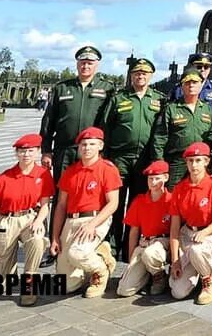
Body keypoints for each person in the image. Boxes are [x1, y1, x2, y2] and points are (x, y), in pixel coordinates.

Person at [96, 57, 167, 259]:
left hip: (145, 160)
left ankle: (131, 246)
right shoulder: (119, 98)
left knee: (138, 204)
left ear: (151, 76)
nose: (140, 76)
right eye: (136, 73)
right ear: (131, 75)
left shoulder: (159, 100)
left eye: (144, 73)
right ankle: (111, 245)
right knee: (114, 203)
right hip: (119, 158)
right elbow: (105, 127)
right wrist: (104, 156)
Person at [0, 133, 53, 306]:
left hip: (30, 217)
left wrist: (38, 221)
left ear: (37, 152)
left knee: (38, 241)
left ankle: (29, 283)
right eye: (22, 151)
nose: (26, 154)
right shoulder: (4, 177)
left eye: (30, 151)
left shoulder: (43, 175)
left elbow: (45, 205)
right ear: (16, 154)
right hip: (6, 221)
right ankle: (9, 272)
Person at [51, 127, 120, 298]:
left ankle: (101, 270)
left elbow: (113, 203)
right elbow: (60, 205)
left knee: (77, 253)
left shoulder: (107, 169)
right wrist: (54, 237)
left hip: (95, 218)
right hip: (71, 221)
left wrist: (92, 225)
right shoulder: (70, 171)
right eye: (83, 144)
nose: (87, 148)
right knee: (66, 286)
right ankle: (94, 255)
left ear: (100, 146)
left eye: (92, 144)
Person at [40, 46, 115, 184]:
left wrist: (106, 151)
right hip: (64, 149)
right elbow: (48, 121)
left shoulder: (107, 89)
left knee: (88, 191)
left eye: (90, 63)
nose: (85, 66)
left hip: (91, 150)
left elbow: (109, 123)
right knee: (61, 189)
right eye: (82, 62)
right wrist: (46, 150)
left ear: (96, 65)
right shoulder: (62, 88)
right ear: (77, 64)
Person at [168, 142, 212, 304]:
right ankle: (196, 268)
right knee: (177, 291)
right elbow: (174, 228)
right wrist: (175, 261)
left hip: (211, 232)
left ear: (207, 162)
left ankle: (209, 281)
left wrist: (205, 232)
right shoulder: (180, 189)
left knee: (197, 251)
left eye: (198, 160)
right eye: (190, 161)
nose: (194, 165)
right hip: (188, 234)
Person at [151, 64, 212, 188]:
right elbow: (160, 138)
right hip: (177, 162)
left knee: (197, 196)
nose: (191, 85)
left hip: (200, 161)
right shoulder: (171, 109)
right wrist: (160, 162)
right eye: (187, 83)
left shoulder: (206, 109)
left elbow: (211, 136)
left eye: (194, 82)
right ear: (182, 86)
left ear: (200, 85)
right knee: (173, 197)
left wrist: (211, 161)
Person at [116, 160, 173, 297]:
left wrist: (174, 256)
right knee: (123, 290)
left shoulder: (171, 200)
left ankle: (159, 276)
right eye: (150, 179)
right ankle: (147, 272)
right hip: (143, 243)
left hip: (162, 243)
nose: (153, 183)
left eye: (157, 179)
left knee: (150, 254)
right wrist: (131, 258)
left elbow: (175, 230)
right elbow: (134, 231)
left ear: (166, 178)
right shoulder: (140, 200)